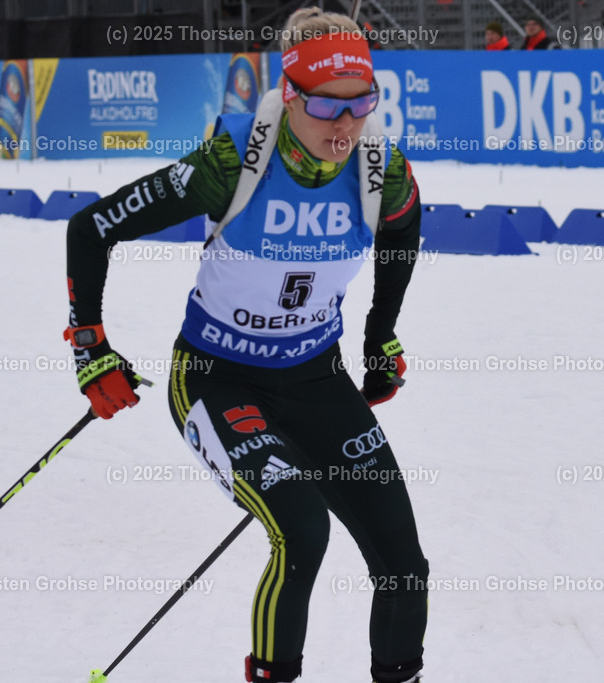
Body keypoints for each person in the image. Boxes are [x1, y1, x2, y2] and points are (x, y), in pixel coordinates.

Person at [63, 7, 429, 683]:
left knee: (405, 566)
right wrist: (92, 347)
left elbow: (404, 235)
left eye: (362, 103)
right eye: (327, 105)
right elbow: (92, 227)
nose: (346, 125)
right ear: (289, 94)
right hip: (216, 377)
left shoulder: (382, 167)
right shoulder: (234, 161)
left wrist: (380, 338)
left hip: (316, 379)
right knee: (302, 531)